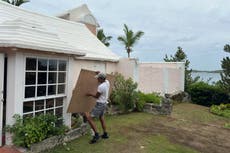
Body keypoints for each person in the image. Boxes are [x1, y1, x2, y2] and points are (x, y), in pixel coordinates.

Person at [85, 72, 110, 144]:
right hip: (104, 103)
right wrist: (99, 72)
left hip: (100, 105)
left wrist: (89, 94)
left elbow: (96, 96)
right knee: (101, 118)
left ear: (101, 79)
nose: (97, 79)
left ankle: (96, 135)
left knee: (89, 117)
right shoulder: (107, 82)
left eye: (98, 78)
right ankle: (105, 134)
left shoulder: (101, 87)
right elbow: (104, 76)